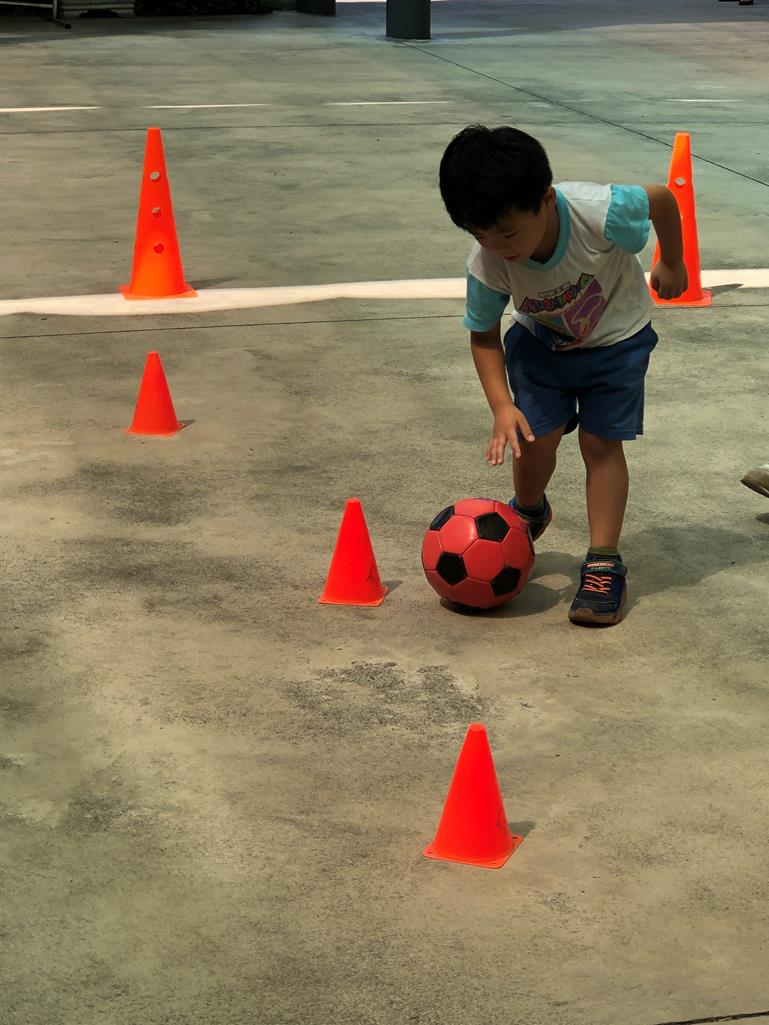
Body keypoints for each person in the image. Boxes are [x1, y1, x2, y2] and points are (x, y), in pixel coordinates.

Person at [439, 125, 687, 626]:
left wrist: (673, 260)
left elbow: (662, 199)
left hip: (617, 342)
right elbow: (483, 335)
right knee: (533, 441)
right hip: (540, 348)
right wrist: (501, 406)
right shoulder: (488, 263)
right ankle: (530, 511)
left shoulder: (602, 212)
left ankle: (603, 562)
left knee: (601, 446)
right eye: (480, 235)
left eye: (508, 233)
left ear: (546, 200)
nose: (498, 246)